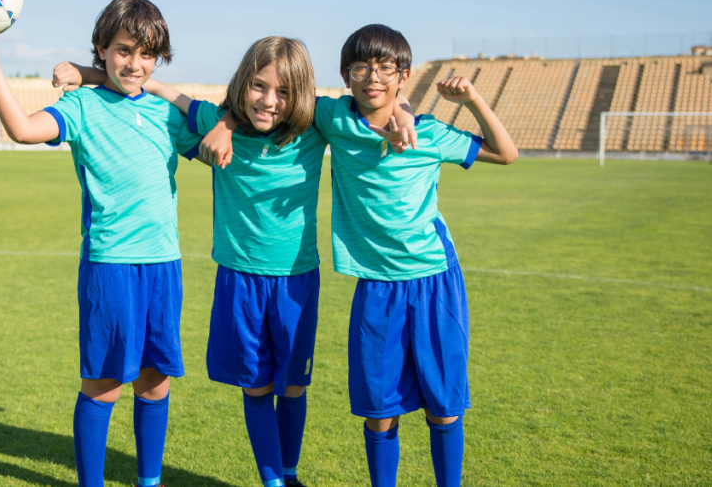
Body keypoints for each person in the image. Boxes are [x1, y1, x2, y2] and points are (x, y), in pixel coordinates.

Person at [53, 35, 416, 487]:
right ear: (243, 84)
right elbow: (159, 89)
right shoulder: (211, 120)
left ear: (300, 93)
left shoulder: (316, 121)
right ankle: (273, 482)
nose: (269, 101)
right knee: (256, 386)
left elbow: (372, 103)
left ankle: (289, 471)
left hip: (297, 279)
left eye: (283, 92)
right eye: (258, 87)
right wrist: (223, 120)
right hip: (239, 278)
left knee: (295, 387)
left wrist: (401, 110)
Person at [207, 24, 518, 487]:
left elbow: (506, 153)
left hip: (434, 280)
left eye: (386, 68)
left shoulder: (428, 133)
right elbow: (271, 102)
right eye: (361, 68)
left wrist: (469, 100)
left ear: (403, 75)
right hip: (374, 285)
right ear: (345, 75)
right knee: (378, 410)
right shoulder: (332, 118)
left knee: (444, 407)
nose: (373, 77)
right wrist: (225, 124)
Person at [0, 0, 204, 487]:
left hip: (164, 264)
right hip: (111, 266)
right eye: (123, 50)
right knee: (103, 387)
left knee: (156, 382)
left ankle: (149, 481)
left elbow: (216, 133)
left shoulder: (167, 115)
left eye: (147, 54)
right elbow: (21, 129)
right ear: (101, 48)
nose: (135, 63)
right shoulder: (82, 105)